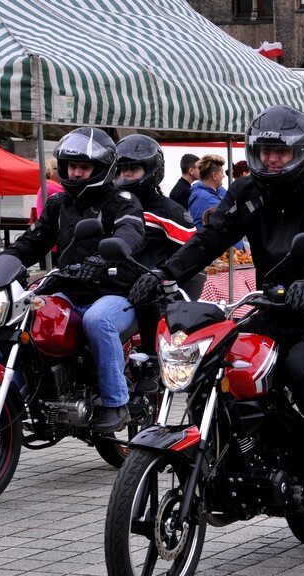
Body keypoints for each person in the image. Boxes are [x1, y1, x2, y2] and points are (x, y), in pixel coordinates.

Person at [129, 104, 304, 513]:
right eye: (265, 151)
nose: (272, 159)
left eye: (281, 152)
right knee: (219, 362)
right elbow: (211, 238)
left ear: (302, 150)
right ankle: (232, 451)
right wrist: (165, 273)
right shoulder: (247, 191)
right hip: (274, 306)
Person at [0, 127, 145, 433]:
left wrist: (103, 258)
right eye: (72, 166)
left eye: (84, 167)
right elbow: (32, 242)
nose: (76, 173)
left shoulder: (122, 200)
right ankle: (22, 395)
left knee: (97, 320)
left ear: (102, 168)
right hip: (69, 289)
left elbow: (130, 232)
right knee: (25, 316)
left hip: (115, 293)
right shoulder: (58, 204)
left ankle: (116, 402)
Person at [112, 135, 198, 392]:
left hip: (151, 288)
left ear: (152, 170)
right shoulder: (110, 205)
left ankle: (151, 360)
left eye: (134, 168)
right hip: (113, 282)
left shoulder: (169, 211)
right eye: (122, 169)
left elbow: (191, 252)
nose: (127, 174)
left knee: (147, 288)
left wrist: (161, 275)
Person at [188, 154, 227, 229]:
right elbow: (201, 229)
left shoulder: (220, 190)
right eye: (222, 172)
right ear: (214, 175)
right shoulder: (201, 199)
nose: (223, 176)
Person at [33, 157, 63, 221]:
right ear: (49, 172)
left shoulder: (48, 185)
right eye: (56, 168)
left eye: (60, 167)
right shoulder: (50, 187)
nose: (60, 170)